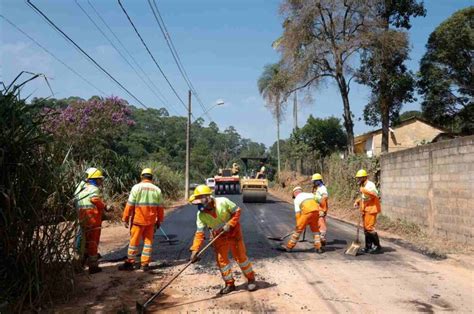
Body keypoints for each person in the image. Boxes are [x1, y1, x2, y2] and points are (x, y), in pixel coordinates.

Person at [188, 185, 257, 294]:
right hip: (219, 236)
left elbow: (237, 211)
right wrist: (194, 250)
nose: (200, 205)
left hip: (234, 233)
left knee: (241, 257)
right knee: (222, 261)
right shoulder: (200, 215)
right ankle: (230, 284)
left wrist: (230, 224)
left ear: (208, 198)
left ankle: (251, 279)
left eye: (201, 201)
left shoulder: (223, 202)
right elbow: (199, 233)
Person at [119, 168, 164, 271]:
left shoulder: (136, 188)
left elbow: (129, 205)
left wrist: (125, 218)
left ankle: (130, 263)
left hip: (138, 220)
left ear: (141, 177)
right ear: (151, 178)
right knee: (148, 242)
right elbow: (160, 208)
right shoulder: (157, 190)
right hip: (150, 221)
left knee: (134, 242)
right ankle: (145, 264)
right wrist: (159, 220)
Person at [75, 168, 106, 274]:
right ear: (95, 179)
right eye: (99, 179)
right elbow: (95, 200)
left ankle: (80, 263)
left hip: (82, 218)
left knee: (83, 240)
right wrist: (105, 206)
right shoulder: (93, 188)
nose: (100, 182)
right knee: (93, 241)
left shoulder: (80, 188)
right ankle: (93, 266)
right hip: (93, 219)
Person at [280, 187, 324, 253]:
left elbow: (298, 213)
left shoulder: (297, 199)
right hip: (316, 212)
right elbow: (321, 200)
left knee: (298, 231)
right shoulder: (310, 194)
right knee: (315, 230)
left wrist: (299, 225)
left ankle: (289, 247)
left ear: (295, 193)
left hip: (307, 213)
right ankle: (318, 247)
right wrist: (322, 210)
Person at [354, 169, 382, 254]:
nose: (358, 179)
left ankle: (377, 246)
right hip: (365, 209)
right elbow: (363, 197)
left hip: (371, 209)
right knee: (366, 229)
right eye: (358, 178)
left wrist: (363, 190)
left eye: (360, 178)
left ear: (364, 177)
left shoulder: (370, 185)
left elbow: (374, 195)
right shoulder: (363, 186)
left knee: (369, 228)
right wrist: (357, 201)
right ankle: (368, 246)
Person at [311, 173, 329, 246]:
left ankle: (322, 238)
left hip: (322, 208)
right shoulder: (317, 188)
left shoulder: (323, 188)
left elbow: (325, 198)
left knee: (321, 223)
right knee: (317, 223)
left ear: (318, 181)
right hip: (317, 208)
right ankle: (319, 238)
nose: (314, 182)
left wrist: (317, 198)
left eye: (315, 181)